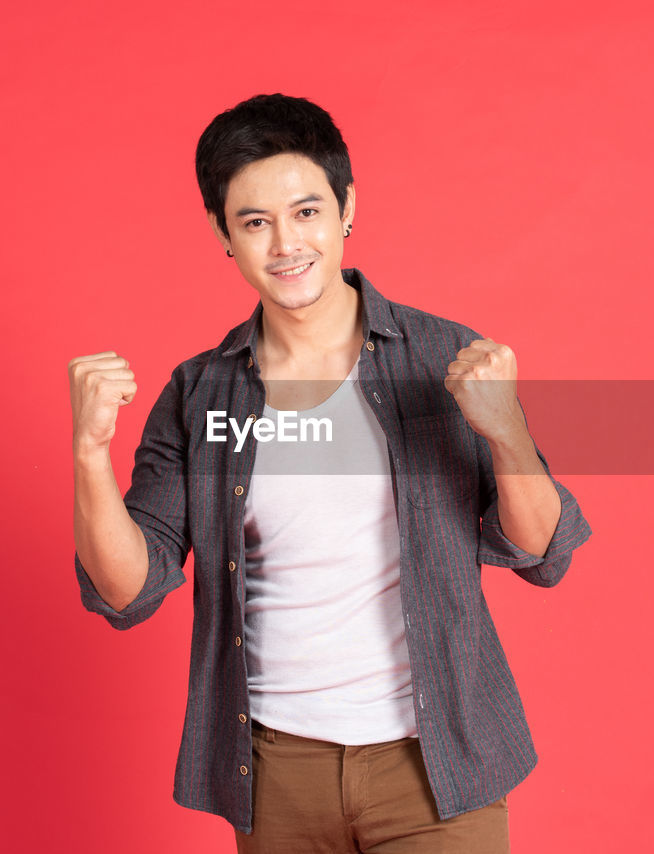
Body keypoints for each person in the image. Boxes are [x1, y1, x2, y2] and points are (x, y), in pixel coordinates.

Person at [68, 93, 593, 853]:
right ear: (223, 235)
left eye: (306, 212)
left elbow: (545, 554)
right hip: (276, 775)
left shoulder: (441, 357)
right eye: (255, 222)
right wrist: (87, 455)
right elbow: (126, 589)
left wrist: (507, 431)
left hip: (437, 770)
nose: (286, 243)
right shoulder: (200, 396)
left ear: (347, 208)